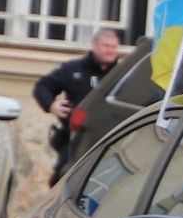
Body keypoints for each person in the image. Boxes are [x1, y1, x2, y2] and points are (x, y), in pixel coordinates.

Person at [33, 27, 123, 176]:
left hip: (111, 141)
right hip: (75, 140)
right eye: (106, 46)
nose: (111, 51)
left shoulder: (123, 74)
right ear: (95, 46)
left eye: (114, 47)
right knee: (62, 179)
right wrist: (51, 105)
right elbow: (43, 87)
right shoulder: (73, 69)